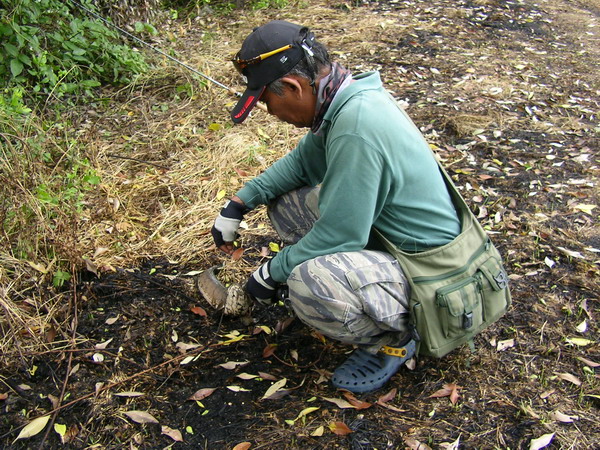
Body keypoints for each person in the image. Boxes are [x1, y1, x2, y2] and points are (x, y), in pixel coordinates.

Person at [211, 20, 461, 394]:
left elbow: (341, 234)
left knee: (308, 284)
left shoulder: (356, 125)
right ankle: (365, 290)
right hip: (397, 245)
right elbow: (300, 166)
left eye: (266, 101)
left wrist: (268, 275)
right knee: (287, 202)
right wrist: (238, 204)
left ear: (294, 87)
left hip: (436, 277)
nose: (269, 112)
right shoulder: (343, 100)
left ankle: (396, 335)